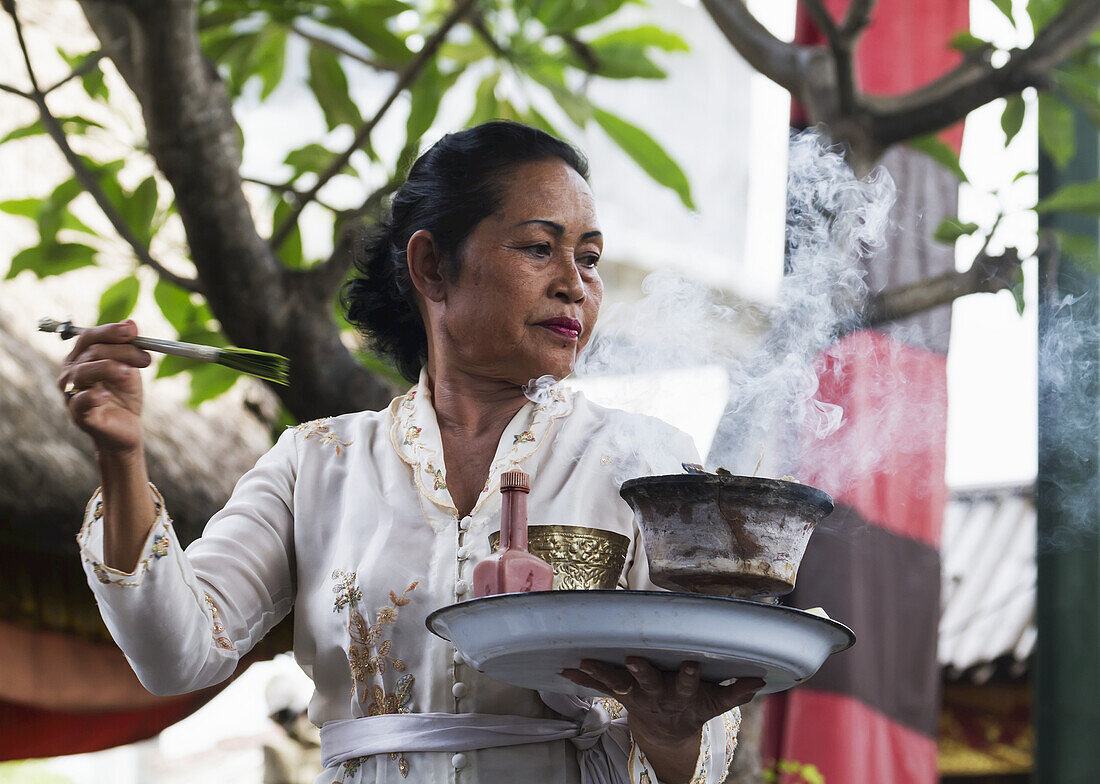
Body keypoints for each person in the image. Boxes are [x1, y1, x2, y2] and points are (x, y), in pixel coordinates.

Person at [59, 121, 762, 784]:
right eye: (540, 248)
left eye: (590, 258)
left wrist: (673, 732)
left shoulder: (647, 463)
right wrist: (123, 459)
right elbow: (174, 654)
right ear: (431, 266)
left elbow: (705, 735)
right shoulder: (314, 464)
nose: (574, 284)